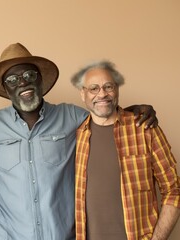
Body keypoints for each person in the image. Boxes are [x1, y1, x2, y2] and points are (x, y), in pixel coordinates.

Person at [0, 43, 158, 240]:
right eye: (12, 79)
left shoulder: (71, 117)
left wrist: (135, 110)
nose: (22, 83)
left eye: (29, 75)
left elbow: (105, 118)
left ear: (40, 80)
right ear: (5, 88)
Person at [71, 60, 180, 240]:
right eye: (93, 88)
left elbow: (174, 190)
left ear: (117, 89)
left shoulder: (145, 128)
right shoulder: (76, 136)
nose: (102, 94)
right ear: (83, 94)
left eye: (108, 86)